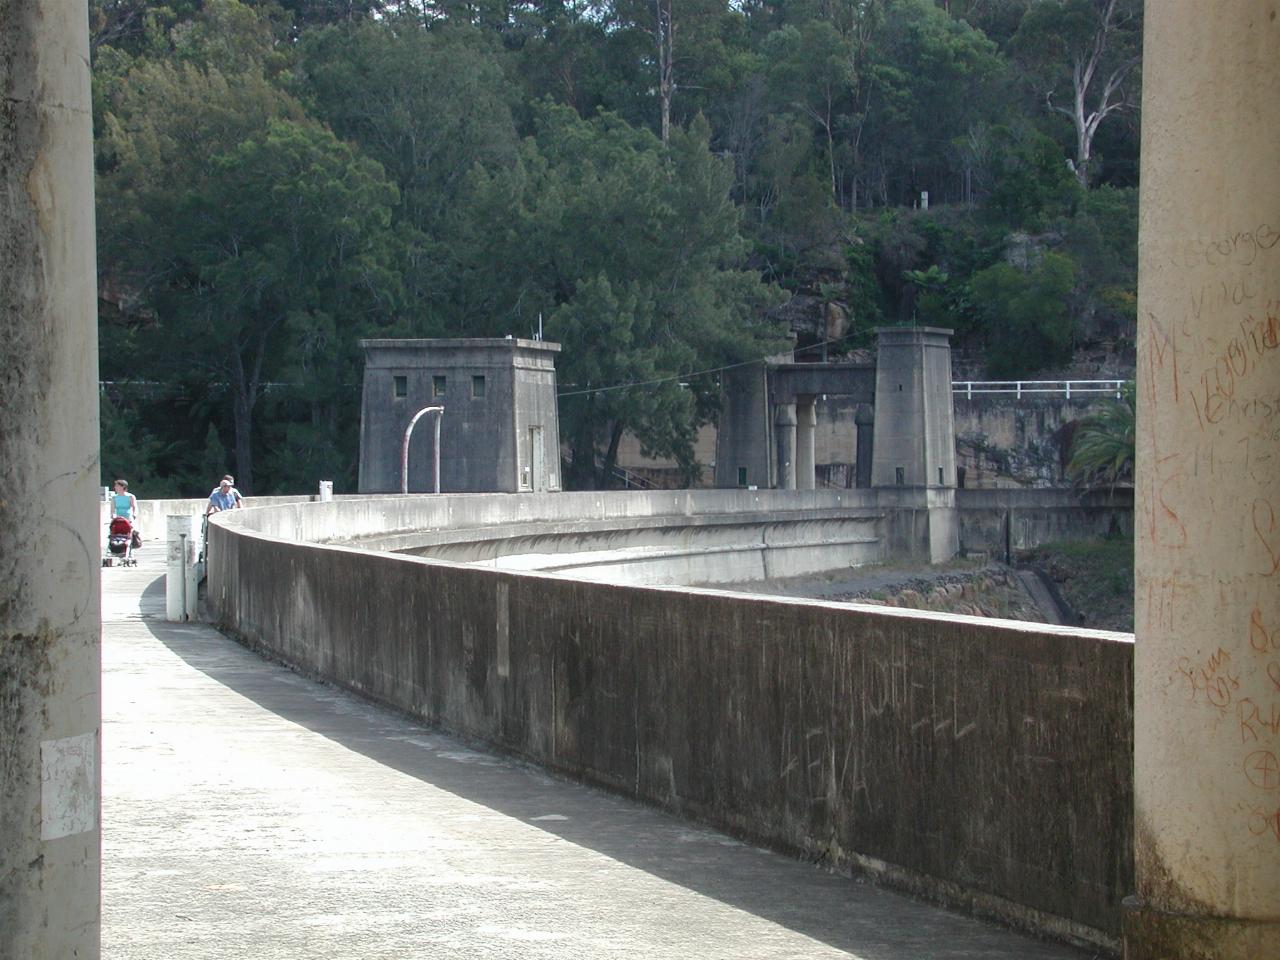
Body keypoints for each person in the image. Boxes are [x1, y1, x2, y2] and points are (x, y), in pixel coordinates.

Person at [110, 479, 141, 545]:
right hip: (119, 518)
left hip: (128, 517)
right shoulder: (114, 497)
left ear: (123, 487)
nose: (115, 487)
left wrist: (134, 515)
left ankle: (133, 543)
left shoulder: (130, 496)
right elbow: (112, 509)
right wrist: (112, 515)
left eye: (117, 486)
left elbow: (134, 507)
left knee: (131, 531)